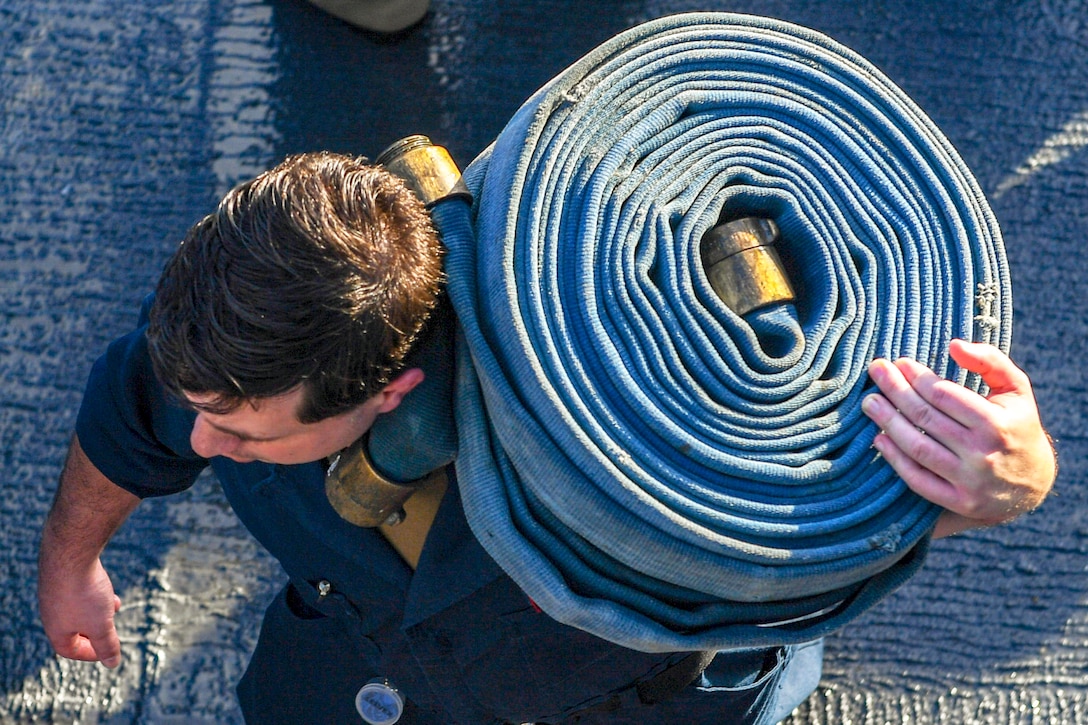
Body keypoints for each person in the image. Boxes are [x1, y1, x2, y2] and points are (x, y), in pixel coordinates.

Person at [37, 152, 1056, 724]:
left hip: (625, 702)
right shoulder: (245, 336)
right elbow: (128, 418)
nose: (207, 445)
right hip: (350, 663)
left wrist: (1009, 479)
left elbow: (818, 518)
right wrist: (70, 560)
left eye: (243, 434)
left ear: (389, 392)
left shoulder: (652, 429)